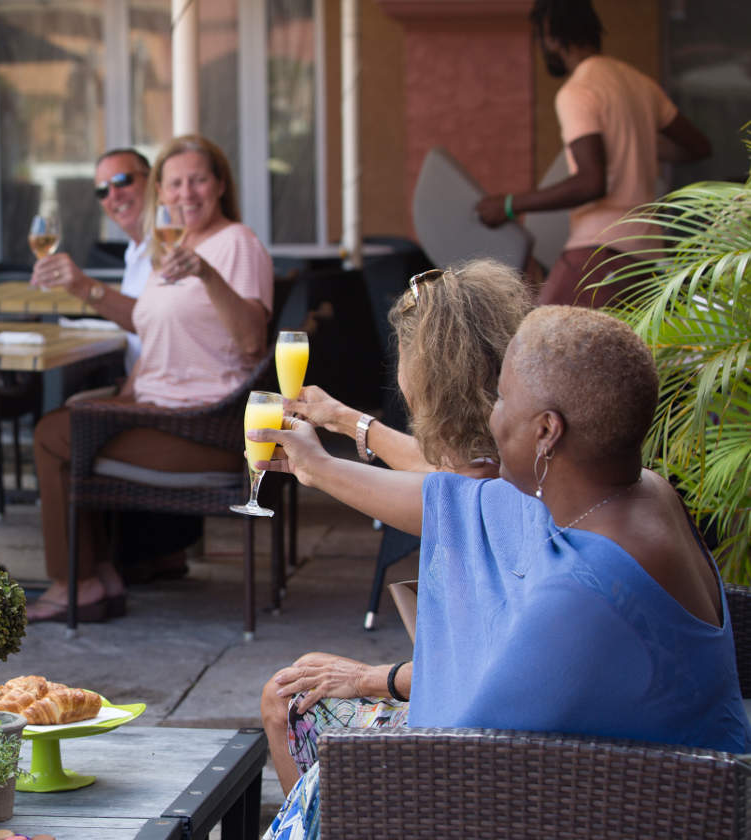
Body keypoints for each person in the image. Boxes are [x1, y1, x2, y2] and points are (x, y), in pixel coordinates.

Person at [254, 306, 751, 840]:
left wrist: (372, 682)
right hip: (598, 778)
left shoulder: (586, 597)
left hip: (615, 808)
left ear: (546, 431)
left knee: (315, 742)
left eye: (504, 399)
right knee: (296, 697)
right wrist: (318, 466)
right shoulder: (634, 493)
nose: (492, 416)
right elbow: (458, 502)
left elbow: (456, 758)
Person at [259, 259, 533, 794]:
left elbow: (445, 496)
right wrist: (347, 421)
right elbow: (447, 477)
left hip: (479, 754)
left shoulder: (479, 501)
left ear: (428, 377)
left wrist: (371, 678)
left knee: (286, 699)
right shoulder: (518, 458)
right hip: (507, 733)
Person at [27, 134, 274, 622]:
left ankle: (77, 582)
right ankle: (100, 572)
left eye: (198, 180)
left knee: (53, 434)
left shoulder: (236, 244)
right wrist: (82, 286)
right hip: (160, 410)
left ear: (220, 184)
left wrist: (207, 274)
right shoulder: (175, 246)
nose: (187, 194)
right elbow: (147, 322)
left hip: (209, 425)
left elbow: (250, 341)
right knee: (69, 419)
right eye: (175, 184)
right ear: (161, 194)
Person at [475, 0, 710, 308]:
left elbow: (590, 183)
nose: (542, 47)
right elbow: (697, 147)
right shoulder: (639, 83)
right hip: (647, 255)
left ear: (552, 35)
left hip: (601, 248)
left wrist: (507, 205)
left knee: (543, 341)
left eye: (540, 39)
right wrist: (640, 147)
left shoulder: (578, 91)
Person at [32, 147, 152, 372]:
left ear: (153, 181)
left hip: (162, 397)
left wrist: (83, 286)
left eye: (122, 180)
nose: (114, 195)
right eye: (102, 191)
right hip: (138, 385)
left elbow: (152, 322)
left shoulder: (169, 244)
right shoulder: (135, 249)